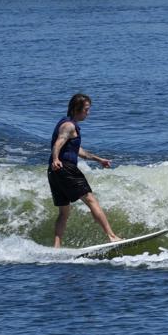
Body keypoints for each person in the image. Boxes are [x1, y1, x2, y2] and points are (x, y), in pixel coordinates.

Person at [48, 93, 120, 247]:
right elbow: (58, 144)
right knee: (91, 200)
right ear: (76, 109)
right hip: (65, 168)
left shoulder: (66, 124)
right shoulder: (69, 126)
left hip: (54, 172)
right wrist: (56, 158)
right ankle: (112, 236)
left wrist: (98, 159)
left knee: (64, 212)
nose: (88, 113)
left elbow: (77, 150)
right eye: (86, 110)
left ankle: (56, 248)